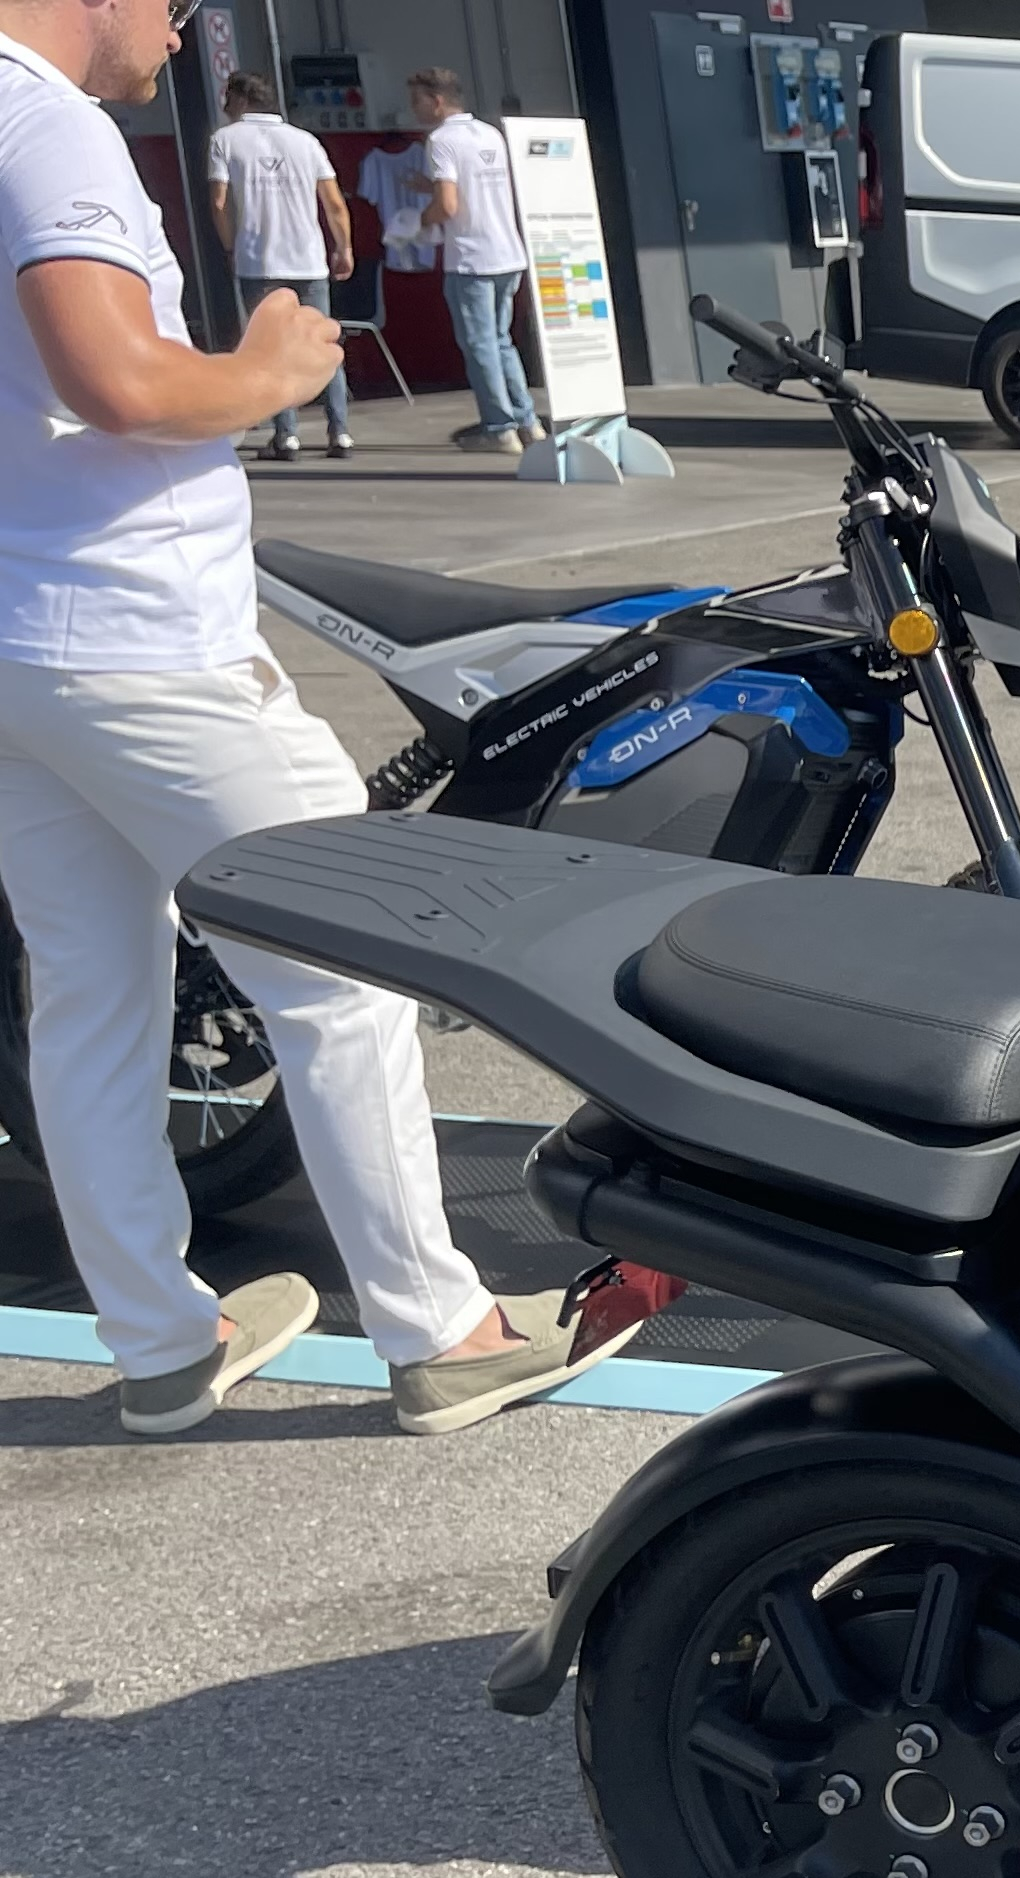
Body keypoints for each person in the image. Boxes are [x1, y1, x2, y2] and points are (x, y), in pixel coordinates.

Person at [0, 0, 631, 1435]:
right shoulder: (47, 127)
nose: (180, 35)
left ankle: (162, 1344)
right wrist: (271, 369)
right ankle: (443, 1330)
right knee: (343, 966)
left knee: (90, 997)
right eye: (177, 6)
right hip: (144, 637)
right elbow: (117, 378)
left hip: (17, 643)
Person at [203, 70, 349, 461]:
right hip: (309, 259)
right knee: (323, 344)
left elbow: (219, 202)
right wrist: (344, 247)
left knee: (272, 348)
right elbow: (334, 203)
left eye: (228, 98)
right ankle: (340, 431)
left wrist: (230, 246)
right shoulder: (306, 141)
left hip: (259, 260)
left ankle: (287, 435)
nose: (224, 106)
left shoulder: (225, 140)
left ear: (240, 99)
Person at [404, 65, 534, 451]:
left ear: (436, 101)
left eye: (417, 101)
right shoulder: (490, 133)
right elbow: (473, 189)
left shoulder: (441, 140)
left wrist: (415, 222)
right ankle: (526, 421)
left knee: (480, 346)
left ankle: (499, 428)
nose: (413, 109)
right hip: (507, 252)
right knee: (500, 341)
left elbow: (447, 205)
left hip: (471, 257)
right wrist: (430, 188)